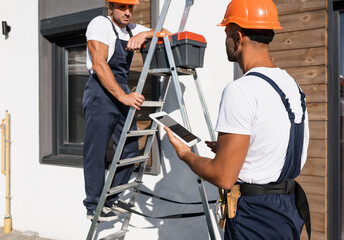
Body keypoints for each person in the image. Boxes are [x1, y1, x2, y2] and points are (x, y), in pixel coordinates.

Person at [164, 0, 311, 239]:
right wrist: (229, 148)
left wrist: (185, 155)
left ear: (238, 36)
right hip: (286, 211)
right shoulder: (291, 86)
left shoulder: (241, 90)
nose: (225, 40)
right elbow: (272, 139)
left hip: (256, 217)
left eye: (226, 33)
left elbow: (223, 176)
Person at [82, 0, 154, 222]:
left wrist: (146, 35)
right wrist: (123, 96)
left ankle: (110, 199)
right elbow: (100, 64)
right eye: (122, 7)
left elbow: (166, 32)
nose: (128, 12)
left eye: (131, 8)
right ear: (110, 6)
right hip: (100, 90)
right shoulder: (100, 24)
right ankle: (94, 205)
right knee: (96, 151)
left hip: (121, 87)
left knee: (131, 148)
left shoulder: (133, 29)